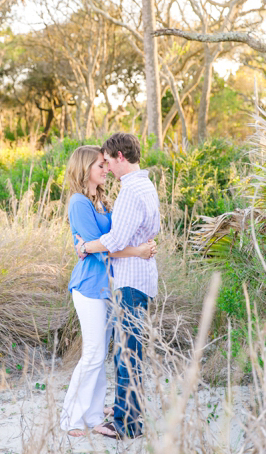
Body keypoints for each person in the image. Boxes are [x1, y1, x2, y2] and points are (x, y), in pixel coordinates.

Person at [60, 145, 156, 437]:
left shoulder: (101, 201)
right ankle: (71, 419)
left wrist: (138, 245)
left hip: (107, 287)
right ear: (84, 169)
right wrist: (138, 251)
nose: (105, 170)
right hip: (88, 286)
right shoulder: (79, 202)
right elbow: (103, 248)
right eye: (99, 165)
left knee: (101, 354)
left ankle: (91, 414)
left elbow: (113, 239)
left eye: (106, 164)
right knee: (92, 353)